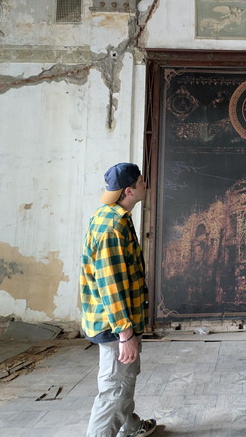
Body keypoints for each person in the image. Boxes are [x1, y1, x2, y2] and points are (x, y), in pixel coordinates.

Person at [80, 162, 157, 437]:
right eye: (140, 181)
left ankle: (131, 427)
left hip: (119, 321)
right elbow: (109, 284)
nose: (145, 183)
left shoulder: (115, 215)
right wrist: (125, 333)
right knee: (112, 390)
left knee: (126, 379)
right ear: (129, 190)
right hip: (114, 324)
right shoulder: (112, 228)